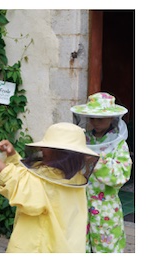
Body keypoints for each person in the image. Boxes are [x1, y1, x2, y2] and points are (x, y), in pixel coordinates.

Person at [0, 122, 99, 252]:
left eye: (47, 147)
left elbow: (17, 180)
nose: (43, 149)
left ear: (58, 152)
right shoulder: (75, 178)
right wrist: (13, 156)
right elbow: (32, 175)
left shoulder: (47, 184)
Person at [70, 92, 133, 252]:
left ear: (112, 117)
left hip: (106, 208)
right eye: (92, 118)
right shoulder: (84, 139)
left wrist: (96, 161)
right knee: (81, 247)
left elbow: (121, 175)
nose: (96, 122)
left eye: (101, 118)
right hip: (81, 204)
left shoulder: (119, 144)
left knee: (106, 249)